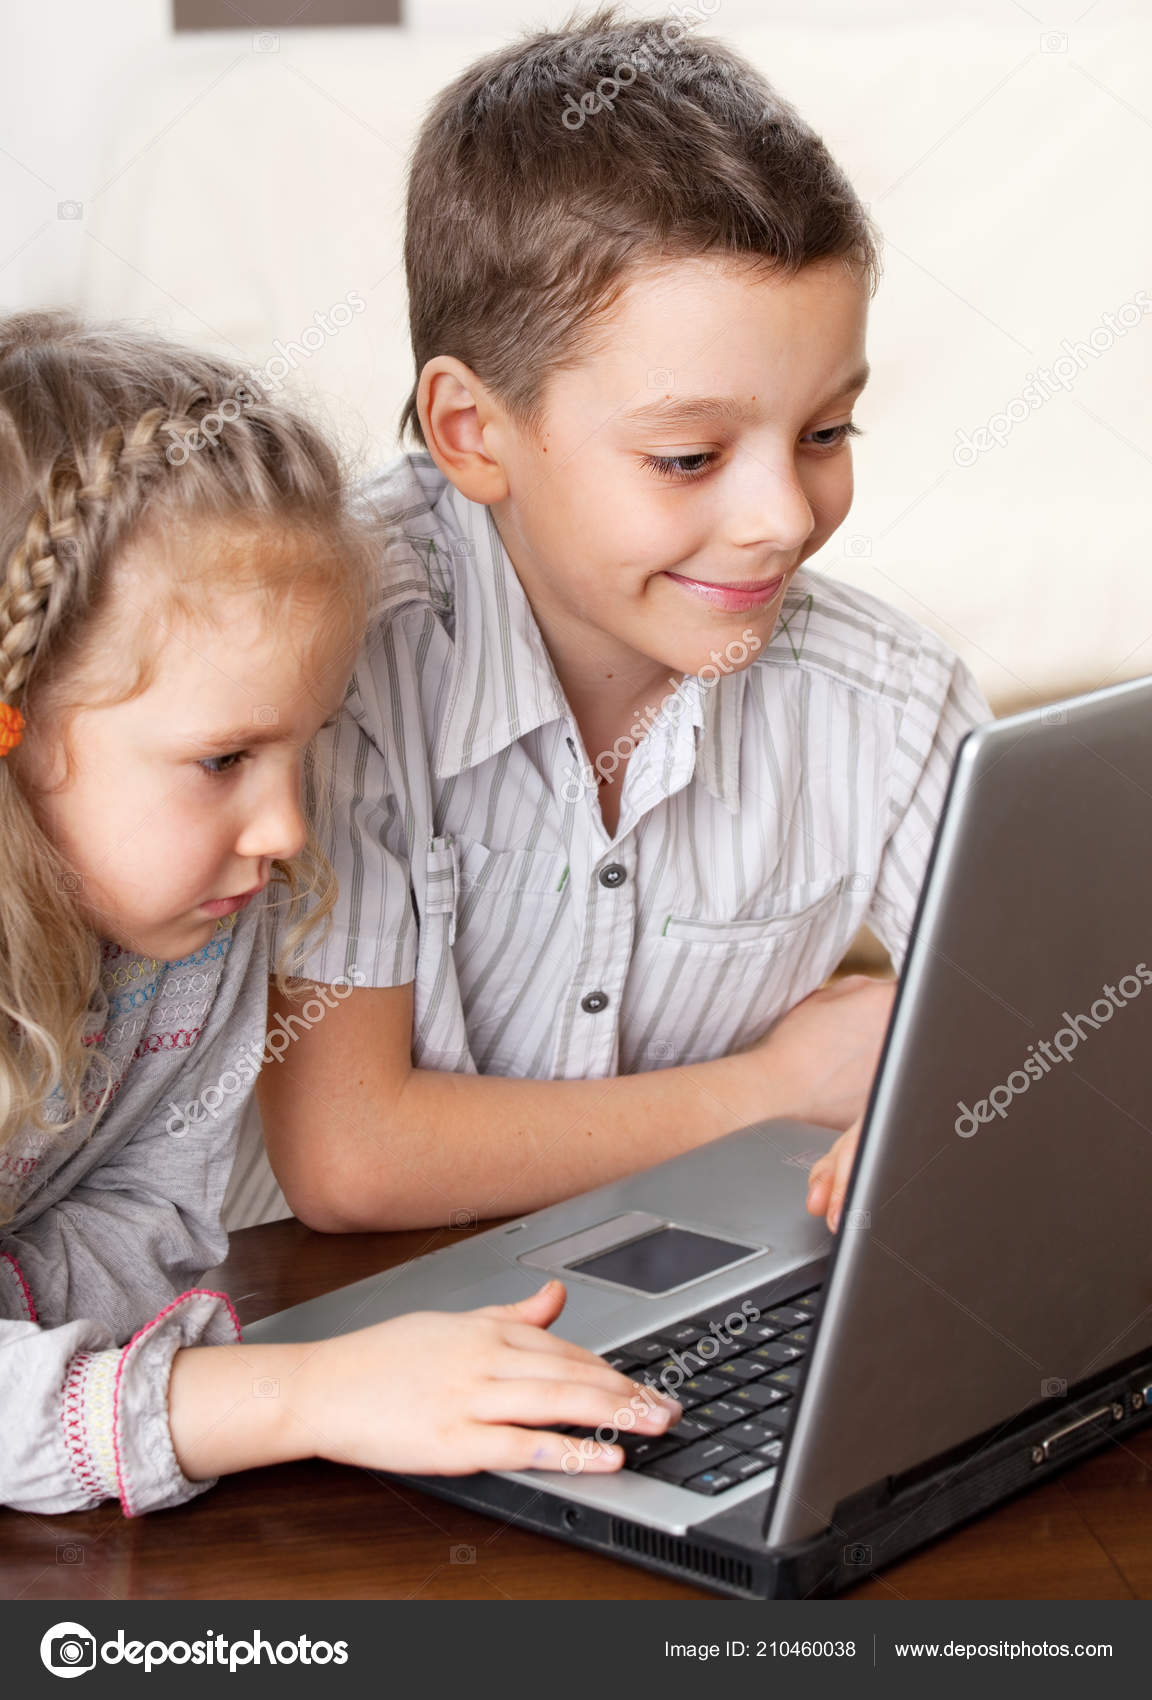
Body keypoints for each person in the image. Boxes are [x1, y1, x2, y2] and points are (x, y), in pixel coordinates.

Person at [248, 7, 990, 1239]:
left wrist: (960, 1103)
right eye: (690, 454)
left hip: (675, 1304)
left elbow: (1072, 1024)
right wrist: (775, 1092)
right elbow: (349, 1152)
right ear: (472, 433)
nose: (780, 520)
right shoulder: (338, 664)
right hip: (338, 1322)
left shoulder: (887, 697)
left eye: (824, 433)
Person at [0, 312, 675, 1515]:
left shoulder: (192, 931)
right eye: (221, 760)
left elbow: (147, 1215)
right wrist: (308, 1395)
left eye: (298, 751)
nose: (285, 831)